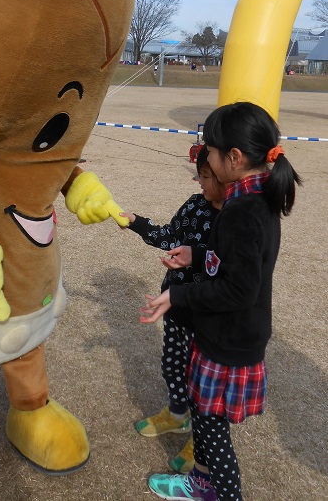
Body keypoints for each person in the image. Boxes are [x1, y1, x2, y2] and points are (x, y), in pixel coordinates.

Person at [141, 101, 301, 501]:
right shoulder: (252, 200)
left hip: (227, 344)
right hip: (228, 337)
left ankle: (221, 494)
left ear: (233, 158)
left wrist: (177, 294)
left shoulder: (243, 210)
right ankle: (200, 481)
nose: (205, 158)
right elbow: (240, 265)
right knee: (206, 423)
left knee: (212, 435)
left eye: (210, 150)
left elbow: (238, 289)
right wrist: (196, 254)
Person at [119, 145, 225, 474]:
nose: (200, 183)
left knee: (201, 383)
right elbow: (167, 236)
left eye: (206, 177)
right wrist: (136, 222)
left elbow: (233, 268)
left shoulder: (237, 217)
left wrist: (197, 252)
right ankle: (177, 415)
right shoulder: (195, 205)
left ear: (226, 176)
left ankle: (202, 441)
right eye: (199, 175)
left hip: (208, 319)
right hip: (176, 308)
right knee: (172, 366)